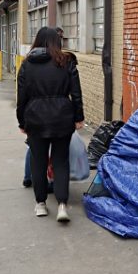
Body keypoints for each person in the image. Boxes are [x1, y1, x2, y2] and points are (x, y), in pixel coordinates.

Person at [17, 27, 84, 221]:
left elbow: (22, 96)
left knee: (38, 162)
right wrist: (78, 117)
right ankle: (62, 205)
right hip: (62, 117)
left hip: (35, 118)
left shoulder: (27, 64)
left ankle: (40, 204)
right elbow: (76, 93)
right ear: (57, 41)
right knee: (60, 162)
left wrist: (21, 120)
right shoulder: (67, 61)